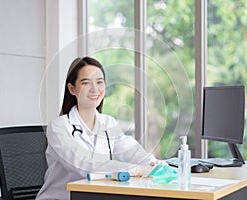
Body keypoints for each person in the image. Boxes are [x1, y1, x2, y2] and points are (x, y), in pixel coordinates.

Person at [36, 57, 159, 200]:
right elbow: (83, 164)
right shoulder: (59, 127)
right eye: (86, 83)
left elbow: (130, 149)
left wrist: (153, 164)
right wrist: (135, 170)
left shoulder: (108, 122)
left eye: (99, 82)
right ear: (72, 89)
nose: (95, 89)